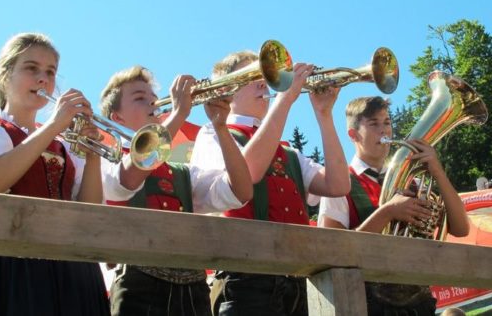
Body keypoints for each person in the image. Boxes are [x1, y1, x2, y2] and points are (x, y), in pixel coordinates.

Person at [0, 32, 109, 315]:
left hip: (74, 270)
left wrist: (92, 154)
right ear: (5, 74)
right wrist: (53, 126)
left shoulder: (63, 144)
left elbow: (90, 212)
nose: (43, 78)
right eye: (31, 68)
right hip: (12, 265)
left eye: (50, 72)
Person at [190, 50, 350, 316]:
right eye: (254, 76)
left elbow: (338, 185)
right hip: (246, 277)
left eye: (266, 75)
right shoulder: (212, 134)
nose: (265, 82)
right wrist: (285, 101)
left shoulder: (287, 151)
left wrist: (324, 115)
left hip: (298, 281)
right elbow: (247, 175)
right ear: (226, 90)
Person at [99, 65, 253, 316]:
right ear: (117, 118)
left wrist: (221, 127)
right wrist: (180, 113)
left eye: (153, 99)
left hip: (192, 289)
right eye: (140, 98)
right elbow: (131, 174)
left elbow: (241, 191)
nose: (153, 104)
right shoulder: (107, 162)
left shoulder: (182, 173)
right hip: (136, 287)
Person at [318, 96, 469, 315]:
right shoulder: (340, 183)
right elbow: (332, 249)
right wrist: (388, 211)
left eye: (387, 122)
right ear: (354, 135)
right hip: (367, 302)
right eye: (374, 124)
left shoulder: (413, 181)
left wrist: (437, 170)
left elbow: (461, 228)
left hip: (419, 300)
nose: (384, 131)